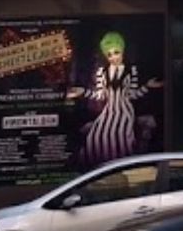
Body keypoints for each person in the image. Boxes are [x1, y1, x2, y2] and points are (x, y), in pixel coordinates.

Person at [69, 31, 165, 169]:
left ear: (122, 51)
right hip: (108, 112)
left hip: (125, 111)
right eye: (109, 54)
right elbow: (100, 96)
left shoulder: (131, 70)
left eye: (116, 52)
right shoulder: (102, 72)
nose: (113, 57)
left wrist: (147, 87)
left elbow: (133, 95)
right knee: (95, 138)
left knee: (121, 136)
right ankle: (97, 172)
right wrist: (82, 92)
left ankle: (123, 169)